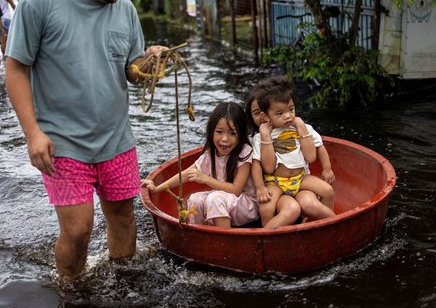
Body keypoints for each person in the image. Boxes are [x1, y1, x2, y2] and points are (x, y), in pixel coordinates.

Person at [4, 0, 166, 282]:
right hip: (63, 143)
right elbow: (15, 69)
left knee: (123, 217)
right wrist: (32, 134)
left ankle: (124, 283)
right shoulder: (39, 4)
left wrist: (150, 62)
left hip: (116, 138)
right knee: (78, 230)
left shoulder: (125, 10)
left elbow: (131, 69)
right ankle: (71, 293)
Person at [142, 102, 258, 228]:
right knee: (195, 199)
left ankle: (224, 241)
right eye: (219, 132)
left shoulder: (244, 152)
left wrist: (205, 179)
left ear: (241, 135)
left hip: (247, 206)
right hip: (225, 203)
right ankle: (199, 236)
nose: (225, 139)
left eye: (232, 133)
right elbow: (186, 175)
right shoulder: (210, 155)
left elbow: (235, 190)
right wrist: (157, 188)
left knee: (215, 198)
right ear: (211, 131)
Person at [251, 75, 336, 229]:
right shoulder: (260, 137)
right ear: (265, 116)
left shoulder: (303, 127)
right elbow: (261, 166)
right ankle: (264, 237)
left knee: (327, 190)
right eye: (279, 113)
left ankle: (333, 224)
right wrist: (260, 188)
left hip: (301, 177)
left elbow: (314, 153)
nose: (288, 115)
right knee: (266, 207)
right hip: (275, 182)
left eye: (291, 109)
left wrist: (327, 168)